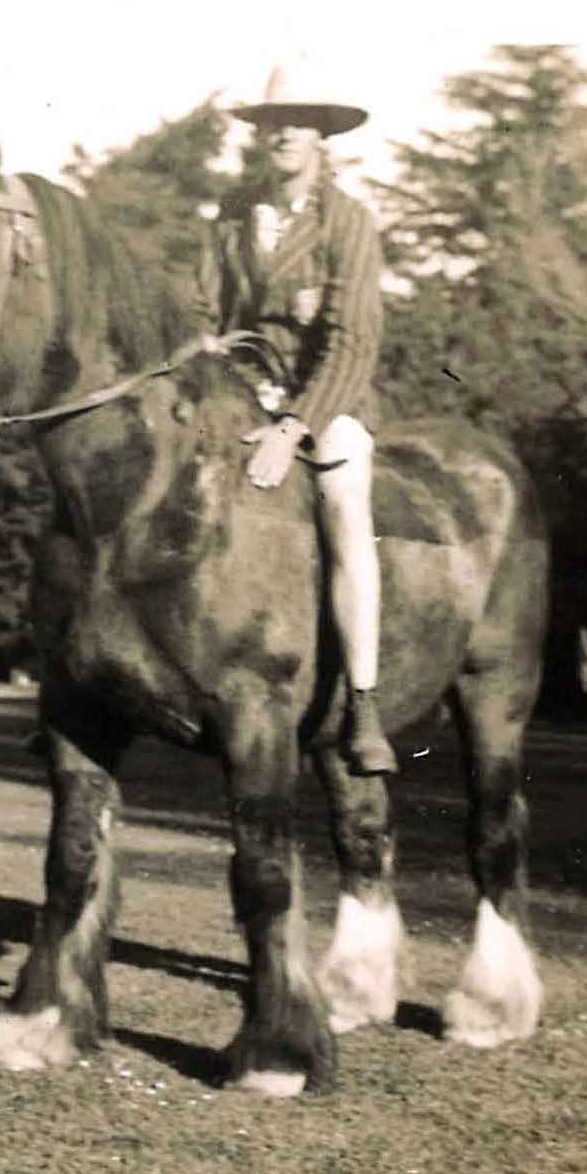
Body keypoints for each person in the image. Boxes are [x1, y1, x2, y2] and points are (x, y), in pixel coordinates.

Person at [193, 59, 393, 775]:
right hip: (239, 389)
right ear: (260, 135)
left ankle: (363, 702)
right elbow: (203, 309)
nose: (284, 136)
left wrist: (292, 427)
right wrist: (203, 347)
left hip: (324, 401)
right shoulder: (232, 213)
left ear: (321, 137)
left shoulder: (348, 222)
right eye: (274, 123)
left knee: (344, 508)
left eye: (298, 124)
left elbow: (350, 340)